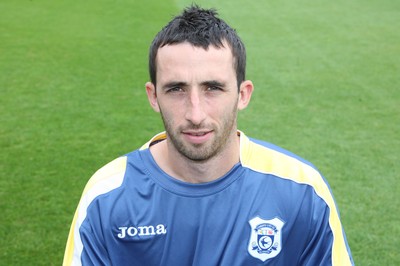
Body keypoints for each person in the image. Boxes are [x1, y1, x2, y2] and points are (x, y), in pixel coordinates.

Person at [63, 5, 353, 265]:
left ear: (242, 94)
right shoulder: (107, 197)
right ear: (153, 97)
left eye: (213, 88)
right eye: (176, 89)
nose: (195, 114)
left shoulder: (302, 191)